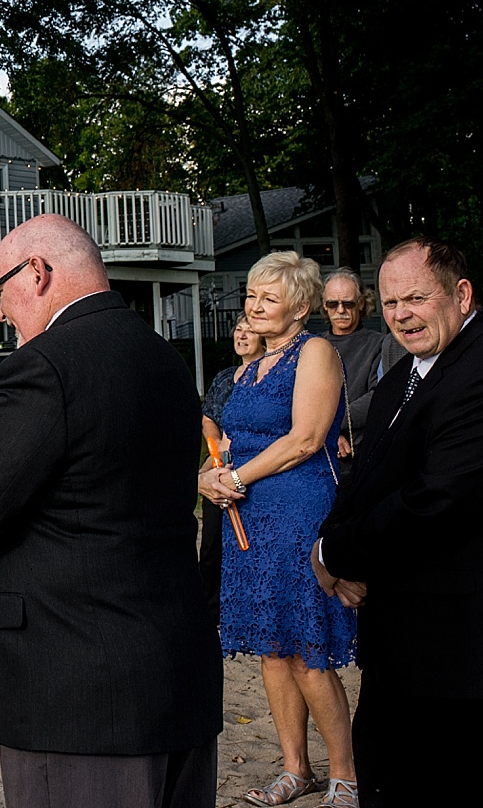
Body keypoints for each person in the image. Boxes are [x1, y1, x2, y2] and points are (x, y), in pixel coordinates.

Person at [0, 214, 221, 808]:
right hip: (174, 665)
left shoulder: (45, 367)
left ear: (36, 273)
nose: (1, 313)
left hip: (77, 687)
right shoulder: (166, 361)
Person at [313, 238, 483, 805]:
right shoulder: (404, 375)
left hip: (464, 657)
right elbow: (366, 479)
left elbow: (435, 500)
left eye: (417, 298)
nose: (402, 315)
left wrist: (336, 554)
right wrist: (326, 543)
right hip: (401, 646)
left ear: (461, 295)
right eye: (392, 302)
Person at [199, 253, 357, 807]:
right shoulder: (245, 367)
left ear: (302, 307)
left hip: (297, 514)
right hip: (247, 519)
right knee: (271, 649)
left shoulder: (315, 353)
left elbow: (307, 439)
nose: (254, 306)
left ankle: (346, 773)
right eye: (251, 295)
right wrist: (210, 476)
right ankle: (297, 769)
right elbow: (227, 437)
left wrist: (236, 475)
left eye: (269, 297)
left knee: (307, 652)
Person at [198, 317, 262, 613]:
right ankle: (209, 607)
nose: (243, 335)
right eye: (239, 329)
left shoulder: (269, 376)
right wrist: (215, 449)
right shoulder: (225, 377)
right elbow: (209, 416)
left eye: (250, 331)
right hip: (219, 463)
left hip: (253, 465)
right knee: (212, 541)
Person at [319, 267, 406, 473]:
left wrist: (327, 424)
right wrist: (329, 434)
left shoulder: (382, 344)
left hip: (362, 454)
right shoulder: (313, 345)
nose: (340, 310)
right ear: (324, 305)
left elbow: (380, 395)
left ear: (361, 304)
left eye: (348, 303)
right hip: (317, 455)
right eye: (333, 304)